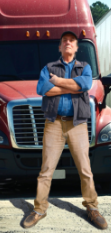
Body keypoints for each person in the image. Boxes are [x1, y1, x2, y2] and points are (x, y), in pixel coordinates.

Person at [22, 31, 107, 230]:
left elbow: (85, 84)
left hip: (78, 124)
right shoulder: (49, 67)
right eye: (64, 41)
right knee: (46, 170)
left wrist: (58, 82)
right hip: (54, 124)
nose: (68, 43)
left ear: (76, 48)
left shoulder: (84, 67)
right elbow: (42, 89)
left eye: (71, 41)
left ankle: (92, 207)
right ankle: (39, 209)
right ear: (60, 47)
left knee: (85, 170)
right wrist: (73, 87)